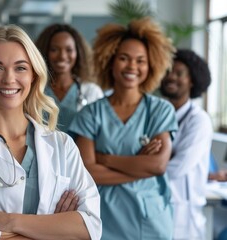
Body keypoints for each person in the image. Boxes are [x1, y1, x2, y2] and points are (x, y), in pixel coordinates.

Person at [0, 24, 101, 240]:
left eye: (20, 68)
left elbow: (90, 228)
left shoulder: (62, 145)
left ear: (33, 75)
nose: (9, 79)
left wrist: (9, 221)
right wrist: (55, 229)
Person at [69, 17, 177, 240]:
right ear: (110, 61)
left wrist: (105, 159)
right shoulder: (91, 114)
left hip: (150, 221)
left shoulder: (160, 110)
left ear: (151, 65)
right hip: (104, 219)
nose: (132, 67)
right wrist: (138, 167)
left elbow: (157, 165)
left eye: (140, 61)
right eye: (124, 58)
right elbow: (87, 172)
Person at [160, 49, 213, 239]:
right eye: (167, 72)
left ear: (192, 80)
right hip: (158, 207)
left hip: (184, 213)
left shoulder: (199, 120)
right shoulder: (158, 113)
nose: (171, 77)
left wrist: (150, 162)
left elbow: (177, 168)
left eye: (179, 73)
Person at [35, 24, 103, 133]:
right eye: (54, 49)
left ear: (78, 52)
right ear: (44, 52)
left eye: (69, 50)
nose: (62, 56)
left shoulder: (91, 92)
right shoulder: (34, 91)